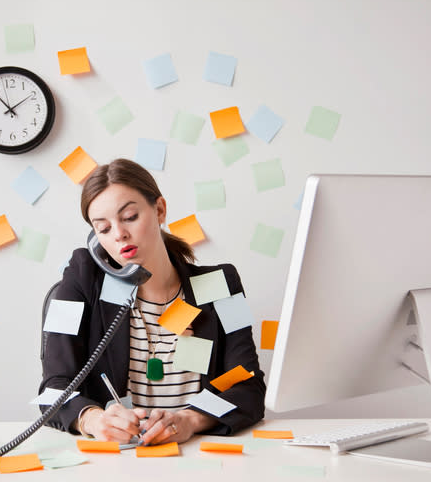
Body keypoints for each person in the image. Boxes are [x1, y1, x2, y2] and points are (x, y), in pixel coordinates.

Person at [40, 158, 265, 446]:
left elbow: (249, 386)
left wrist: (191, 420)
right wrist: (94, 420)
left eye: (130, 217)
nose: (119, 234)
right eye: (103, 228)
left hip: (196, 455)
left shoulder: (220, 284)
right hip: (115, 461)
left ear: (159, 210)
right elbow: (53, 388)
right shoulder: (81, 279)